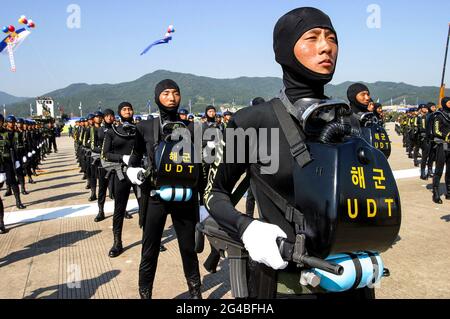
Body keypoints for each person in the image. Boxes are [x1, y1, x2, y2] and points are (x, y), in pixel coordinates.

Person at [203, 7, 399, 299]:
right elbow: (213, 193)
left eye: (332, 38)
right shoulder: (253, 122)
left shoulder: (350, 121)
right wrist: (247, 227)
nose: (326, 47)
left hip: (353, 281)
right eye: (312, 37)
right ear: (284, 49)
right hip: (287, 285)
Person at [126, 79, 202, 299]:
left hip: (185, 197)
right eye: (166, 93)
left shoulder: (192, 128)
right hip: (155, 197)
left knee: (188, 249)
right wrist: (133, 171)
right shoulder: (145, 127)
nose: (171, 98)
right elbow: (135, 157)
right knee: (149, 250)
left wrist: (204, 203)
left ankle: (195, 292)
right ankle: (145, 292)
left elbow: (202, 167)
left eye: (176, 93)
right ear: (157, 97)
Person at [101, 102, 140, 257]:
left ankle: (151, 240)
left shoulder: (139, 130)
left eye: (130, 109)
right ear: (119, 112)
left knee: (145, 207)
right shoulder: (112, 132)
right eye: (124, 109)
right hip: (121, 174)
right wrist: (122, 157)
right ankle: (117, 242)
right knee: (119, 208)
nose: (127, 111)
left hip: (138, 172)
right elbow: (106, 154)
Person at [0, 115, 26, 209]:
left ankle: (18, 201)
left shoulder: (8, 133)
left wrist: (16, 160)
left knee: (13, 181)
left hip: (7, 161)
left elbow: (13, 147)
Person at [94, 109, 114, 222]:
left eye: (111, 116)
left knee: (117, 189)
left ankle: (122, 210)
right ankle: (101, 211)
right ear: (103, 118)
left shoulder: (117, 129)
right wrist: (104, 151)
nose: (109, 118)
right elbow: (93, 146)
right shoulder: (99, 130)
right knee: (102, 188)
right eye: (107, 116)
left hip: (115, 162)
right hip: (103, 162)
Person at [431, 97, 450, 204]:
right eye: (449, 102)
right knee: (439, 169)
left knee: (449, 170)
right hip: (441, 145)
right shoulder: (439, 115)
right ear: (444, 103)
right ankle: (436, 193)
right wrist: (446, 135)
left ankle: (449, 192)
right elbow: (436, 130)